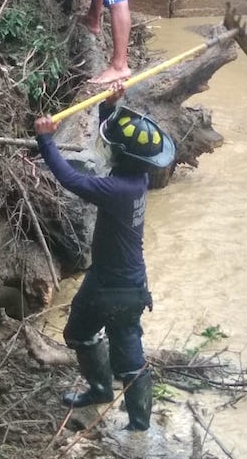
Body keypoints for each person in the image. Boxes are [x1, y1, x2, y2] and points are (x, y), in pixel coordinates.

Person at [33, 85, 175, 431]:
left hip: (121, 289)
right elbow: (115, 146)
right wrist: (112, 107)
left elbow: (69, 177)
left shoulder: (116, 190)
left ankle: (139, 428)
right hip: (107, 278)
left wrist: (46, 141)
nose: (107, 150)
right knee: (79, 333)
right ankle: (99, 389)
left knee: (129, 359)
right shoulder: (136, 176)